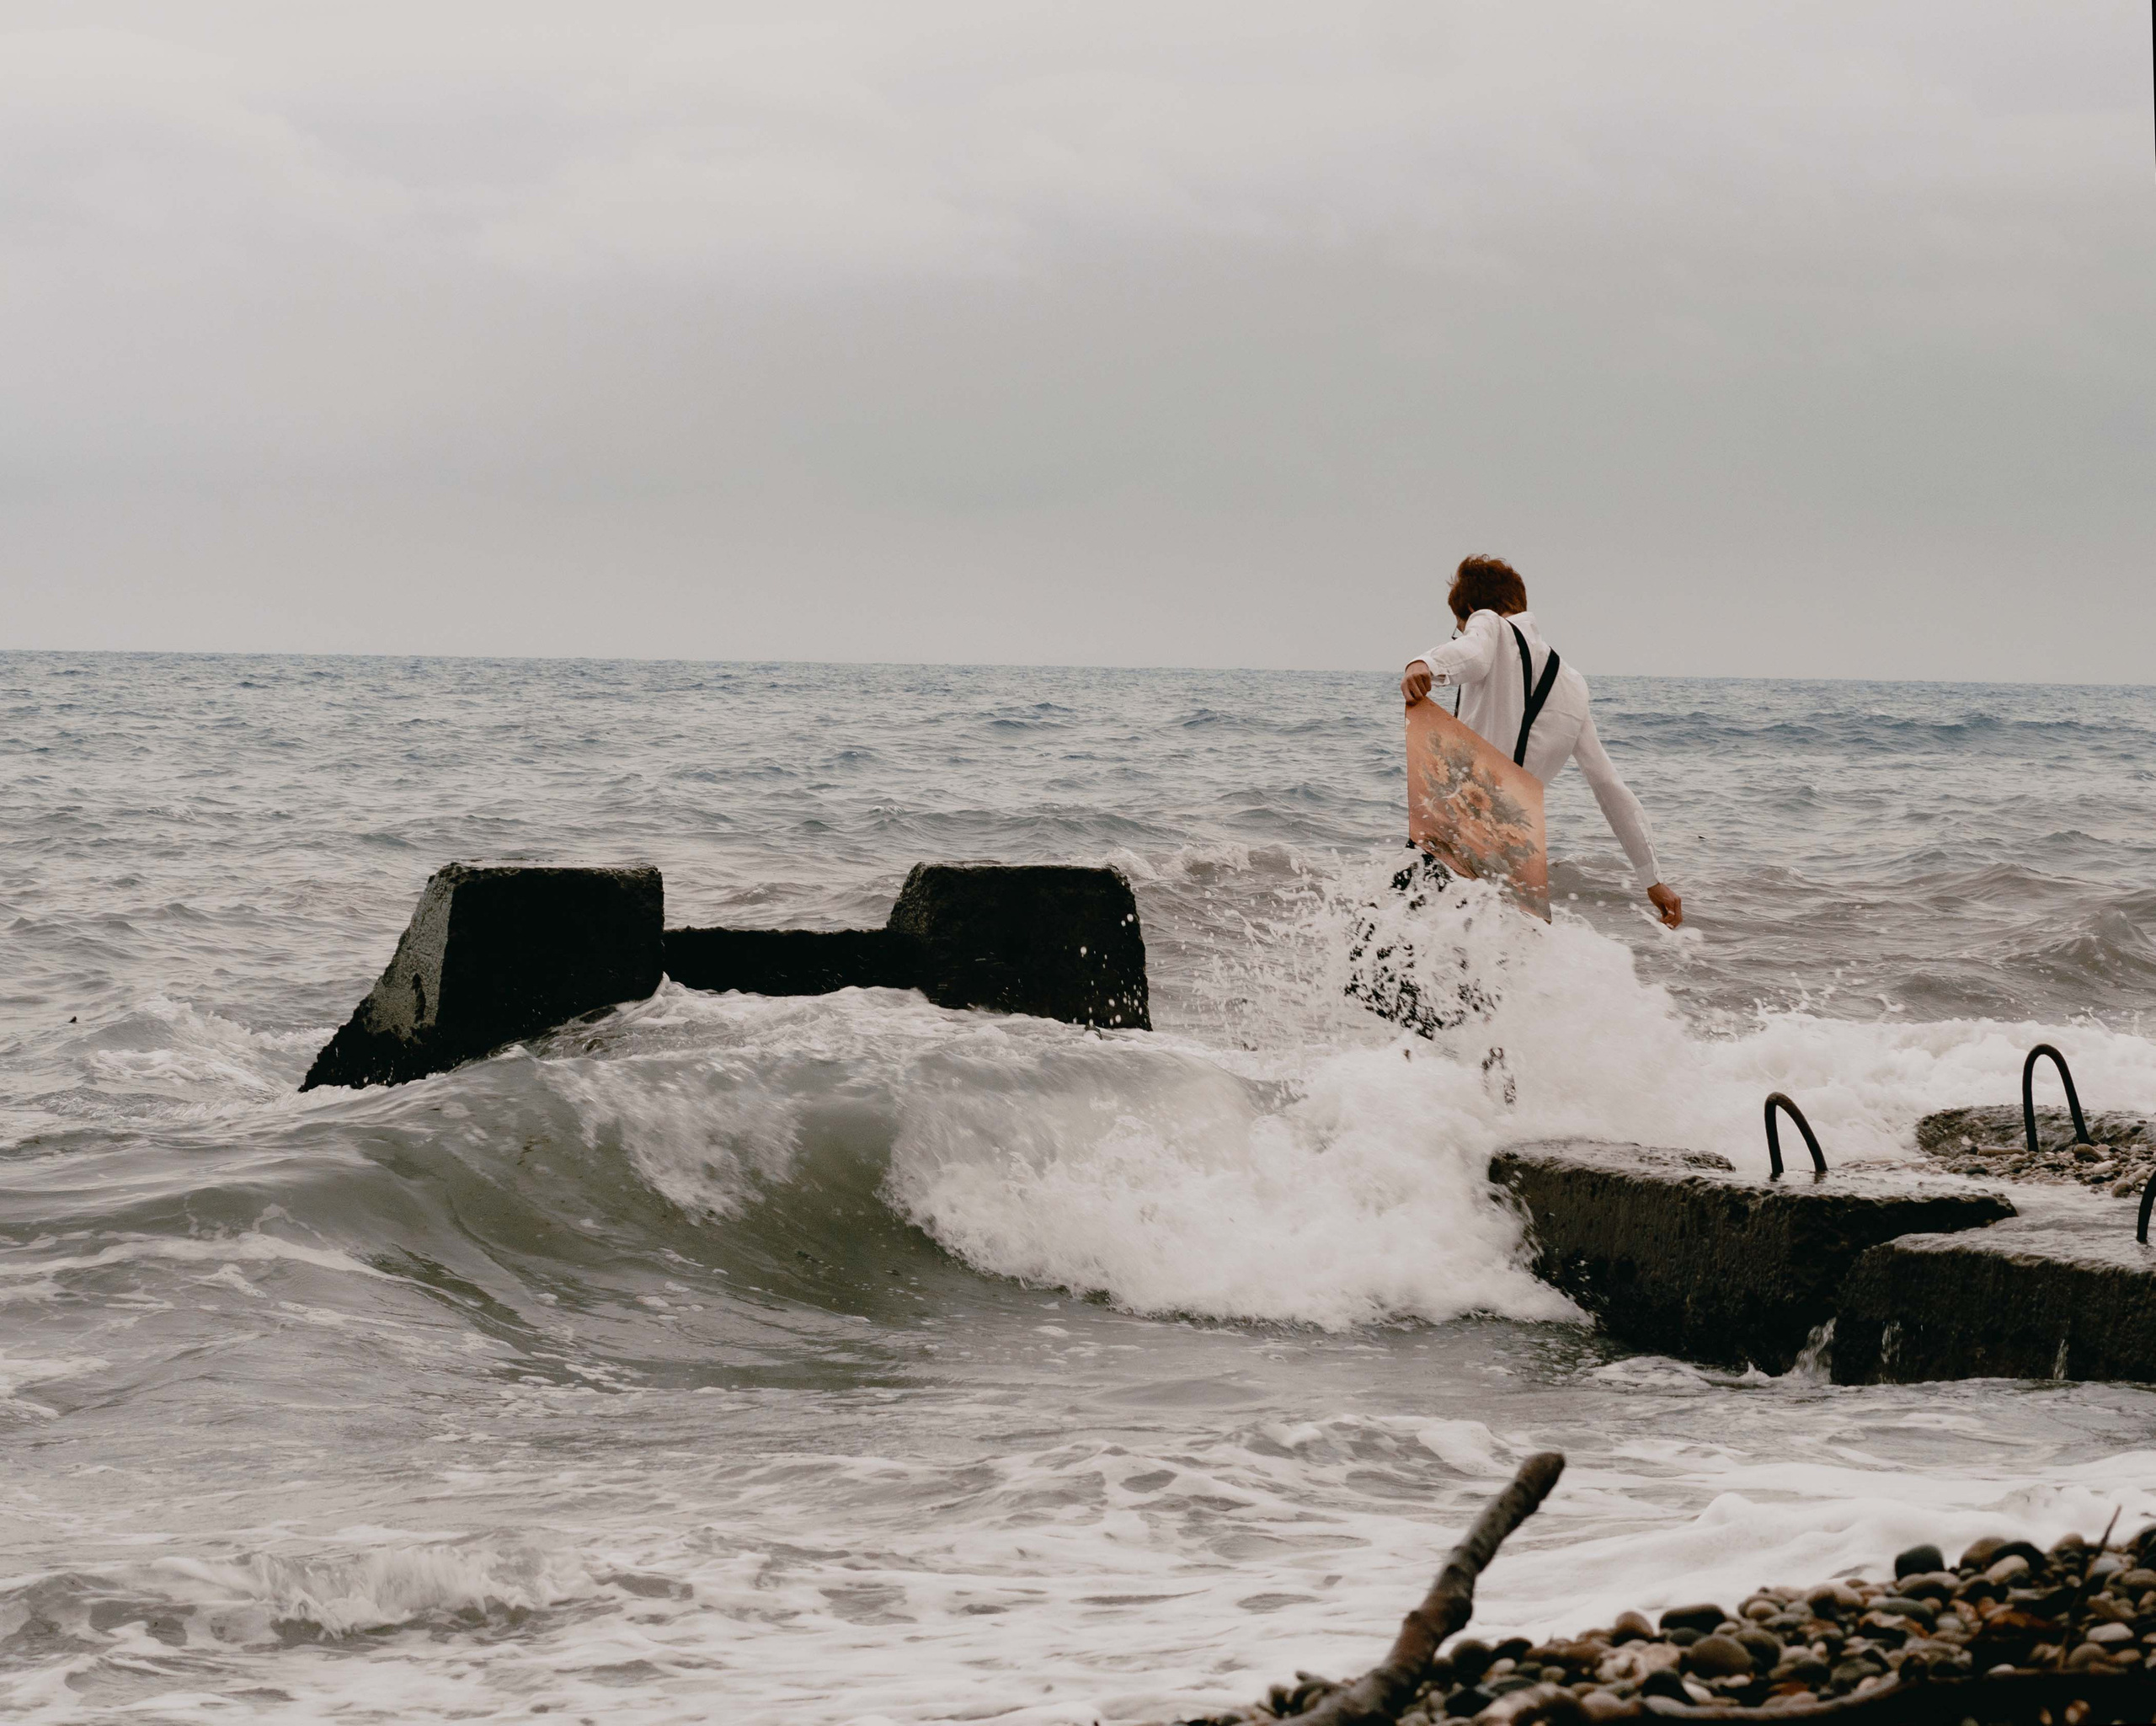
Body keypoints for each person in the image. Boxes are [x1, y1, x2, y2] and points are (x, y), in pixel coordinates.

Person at [1401, 554, 1684, 928]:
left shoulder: (1488, 623)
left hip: (1457, 834)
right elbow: (1608, 787)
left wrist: (1426, 664)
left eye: (1461, 628)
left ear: (1471, 610)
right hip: (1513, 855)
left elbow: (1473, 654)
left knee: (1391, 941)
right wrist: (1652, 878)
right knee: (1491, 953)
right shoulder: (1573, 685)